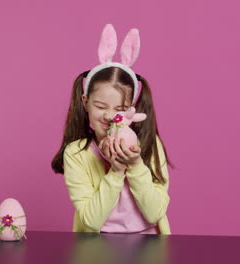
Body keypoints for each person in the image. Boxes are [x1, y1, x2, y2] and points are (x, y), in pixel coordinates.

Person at [51, 24, 173, 235]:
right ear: (86, 102)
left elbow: (155, 214)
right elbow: (91, 221)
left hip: (149, 244)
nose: (110, 116)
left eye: (120, 109)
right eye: (100, 106)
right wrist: (116, 171)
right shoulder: (76, 154)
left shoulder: (150, 144)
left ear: (132, 109)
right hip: (96, 246)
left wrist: (134, 165)